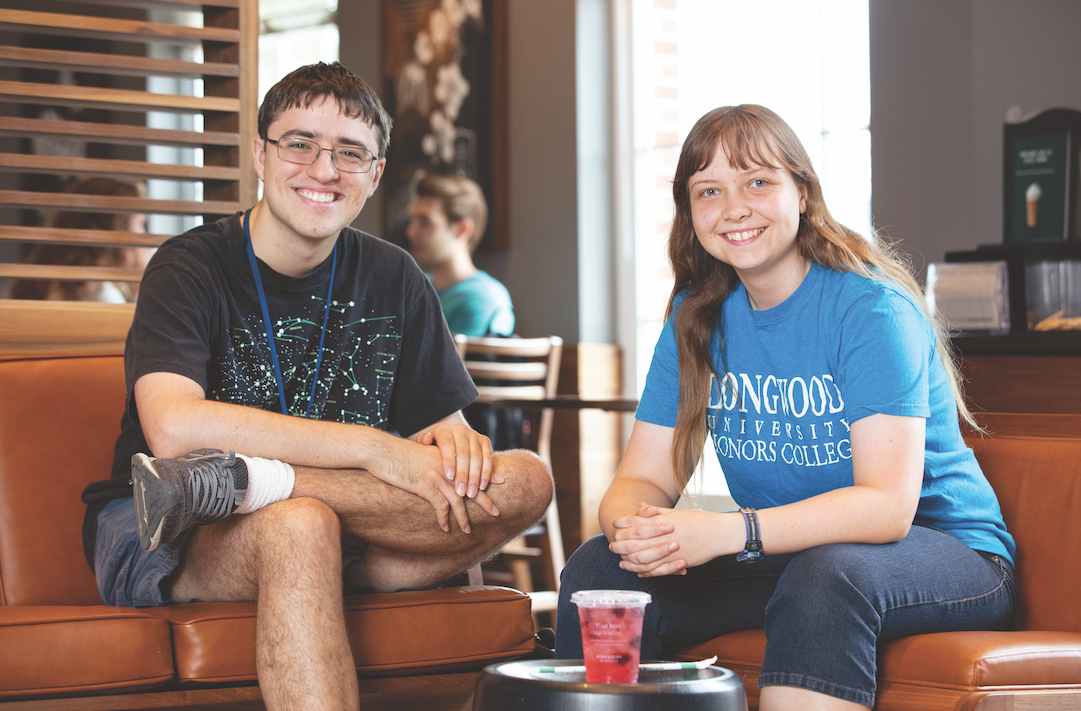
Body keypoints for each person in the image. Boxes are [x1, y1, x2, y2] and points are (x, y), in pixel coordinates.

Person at [81, 62, 552, 711]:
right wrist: (373, 448)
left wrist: (455, 444)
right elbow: (174, 428)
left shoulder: (396, 275)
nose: (324, 169)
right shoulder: (189, 265)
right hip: (174, 526)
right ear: (260, 154)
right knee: (301, 523)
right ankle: (255, 493)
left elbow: (444, 435)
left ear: (375, 174)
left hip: (346, 528)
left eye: (349, 152)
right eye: (299, 143)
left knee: (527, 477)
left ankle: (244, 477)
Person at [555, 105, 1016, 711]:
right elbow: (641, 477)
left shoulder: (871, 310)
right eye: (709, 191)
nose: (734, 208)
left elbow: (886, 508)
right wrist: (637, 533)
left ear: (802, 192)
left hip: (948, 554)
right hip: (792, 552)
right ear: (691, 213)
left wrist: (728, 531)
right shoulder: (697, 315)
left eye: (758, 182)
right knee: (598, 570)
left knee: (828, 575)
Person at [9, 177, 151, 302]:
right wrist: (141, 288)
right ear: (118, 228)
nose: (144, 235)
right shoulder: (103, 297)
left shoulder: (38, 282)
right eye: (140, 224)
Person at [405, 174, 515, 337]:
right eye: (412, 220)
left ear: (462, 229)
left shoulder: (482, 299)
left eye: (425, 222)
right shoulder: (413, 289)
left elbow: (452, 363)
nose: (411, 232)